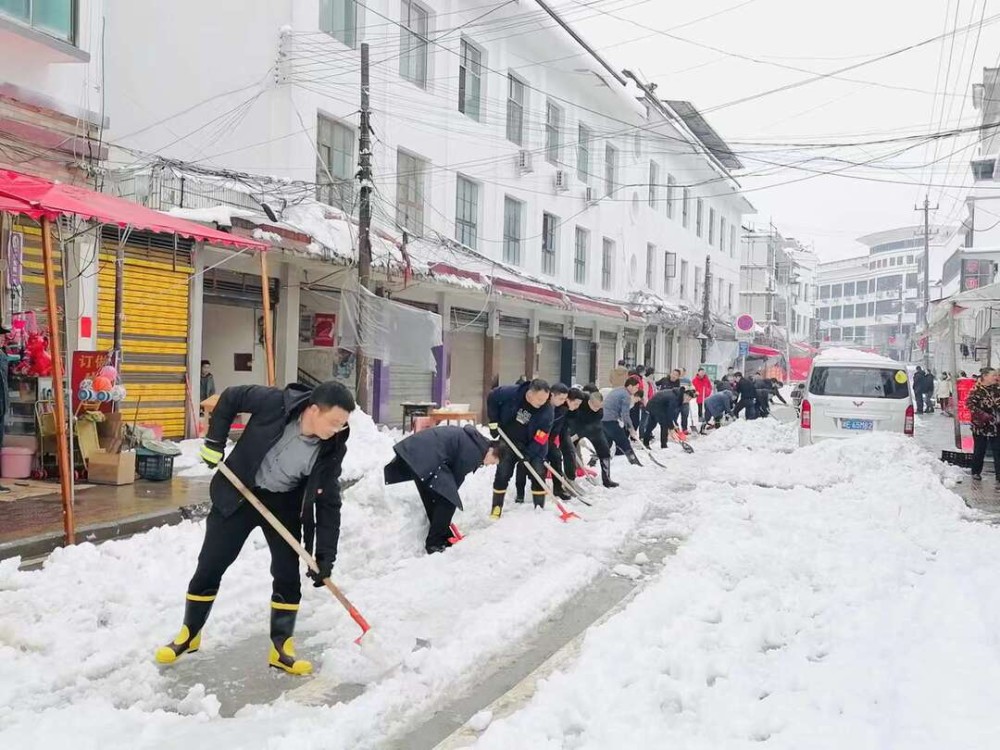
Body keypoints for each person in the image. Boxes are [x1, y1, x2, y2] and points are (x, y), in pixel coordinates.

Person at [155, 381, 355, 676]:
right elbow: (231, 397)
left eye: (342, 424)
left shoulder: (332, 449)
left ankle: (281, 648)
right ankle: (189, 634)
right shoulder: (276, 403)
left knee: (287, 575)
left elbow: (328, 503)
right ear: (314, 410)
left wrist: (325, 557)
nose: (337, 430)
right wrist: (214, 442)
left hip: (283, 503)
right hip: (239, 492)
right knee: (211, 564)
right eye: (334, 422)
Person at [384, 425, 501, 553]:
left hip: (418, 453)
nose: (490, 465)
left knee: (435, 498)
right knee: (447, 501)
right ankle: (434, 543)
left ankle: (442, 536)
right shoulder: (475, 452)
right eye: (493, 461)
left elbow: (454, 477)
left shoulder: (477, 445)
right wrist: (450, 496)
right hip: (425, 456)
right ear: (491, 451)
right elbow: (456, 476)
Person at [487, 378, 553, 517]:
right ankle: (496, 508)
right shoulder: (511, 393)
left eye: (545, 399)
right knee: (503, 473)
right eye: (539, 399)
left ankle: (539, 509)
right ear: (530, 393)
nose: (543, 403)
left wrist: (530, 453)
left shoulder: (547, 410)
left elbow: (542, 435)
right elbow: (492, 397)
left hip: (533, 444)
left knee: (538, 472)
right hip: (508, 439)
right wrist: (493, 422)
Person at [514, 383, 572, 501]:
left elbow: (557, 430)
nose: (563, 401)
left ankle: (558, 488)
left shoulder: (562, 410)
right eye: (561, 398)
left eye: (565, 399)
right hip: (529, 439)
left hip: (546, 440)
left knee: (556, 456)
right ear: (552, 395)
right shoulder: (538, 405)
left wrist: (548, 445)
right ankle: (520, 493)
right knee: (523, 462)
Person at [568, 389, 618, 488]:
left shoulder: (600, 412)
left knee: (604, 450)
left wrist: (577, 435)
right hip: (575, 425)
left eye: (599, 406)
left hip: (593, 428)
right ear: (589, 402)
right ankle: (570, 477)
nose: (596, 408)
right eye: (594, 406)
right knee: (570, 450)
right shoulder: (582, 399)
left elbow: (589, 427)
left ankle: (607, 479)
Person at [966, 368, 1000, 481]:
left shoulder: (997, 389)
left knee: (998, 450)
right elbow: (969, 404)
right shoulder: (976, 390)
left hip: (996, 425)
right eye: (993, 375)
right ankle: (976, 472)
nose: (995, 377)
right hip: (981, 426)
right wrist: (982, 414)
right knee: (980, 450)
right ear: (985, 376)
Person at [602, 375, 643, 465]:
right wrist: (631, 429)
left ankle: (594, 460)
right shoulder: (626, 395)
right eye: (636, 387)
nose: (637, 390)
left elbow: (618, 409)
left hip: (602, 419)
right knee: (624, 442)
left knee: (607, 442)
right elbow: (625, 415)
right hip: (610, 420)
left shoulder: (618, 390)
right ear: (630, 386)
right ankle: (634, 463)